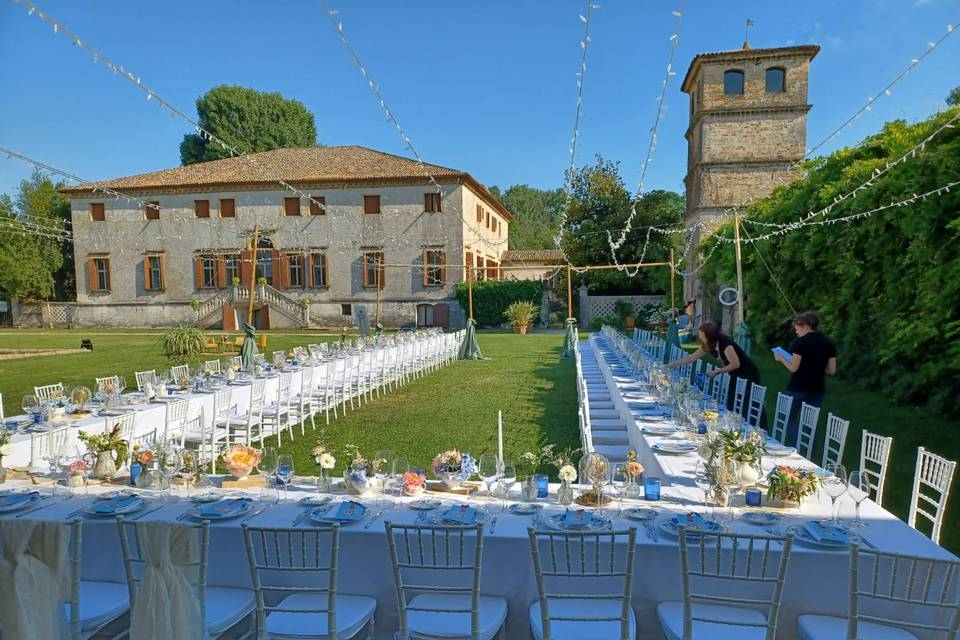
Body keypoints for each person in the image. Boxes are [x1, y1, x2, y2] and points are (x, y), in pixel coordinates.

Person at [666, 321, 762, 414]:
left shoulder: (726, 344)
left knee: (746, 402)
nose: (699, 337)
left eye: (702, 335)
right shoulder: (709, 345)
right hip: (735, 373)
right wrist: (672, 364)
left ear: (710, 336)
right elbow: (692, 358)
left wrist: (718, 371)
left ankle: (752, 425)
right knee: (732, 400)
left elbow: (735, 364)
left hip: (747, 373)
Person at [774, 311, 837, 446]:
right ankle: (810, 453)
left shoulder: (801, 342)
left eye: (797, 328)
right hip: (817, 389)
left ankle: (799, 444)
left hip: (798, 387)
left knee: (786, 419)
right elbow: (831, 370)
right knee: (810, 424)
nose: (796, 332)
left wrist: (781, 358)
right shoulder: (828, 343)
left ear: (806, 326)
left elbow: (793, 367)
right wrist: (817, 367)